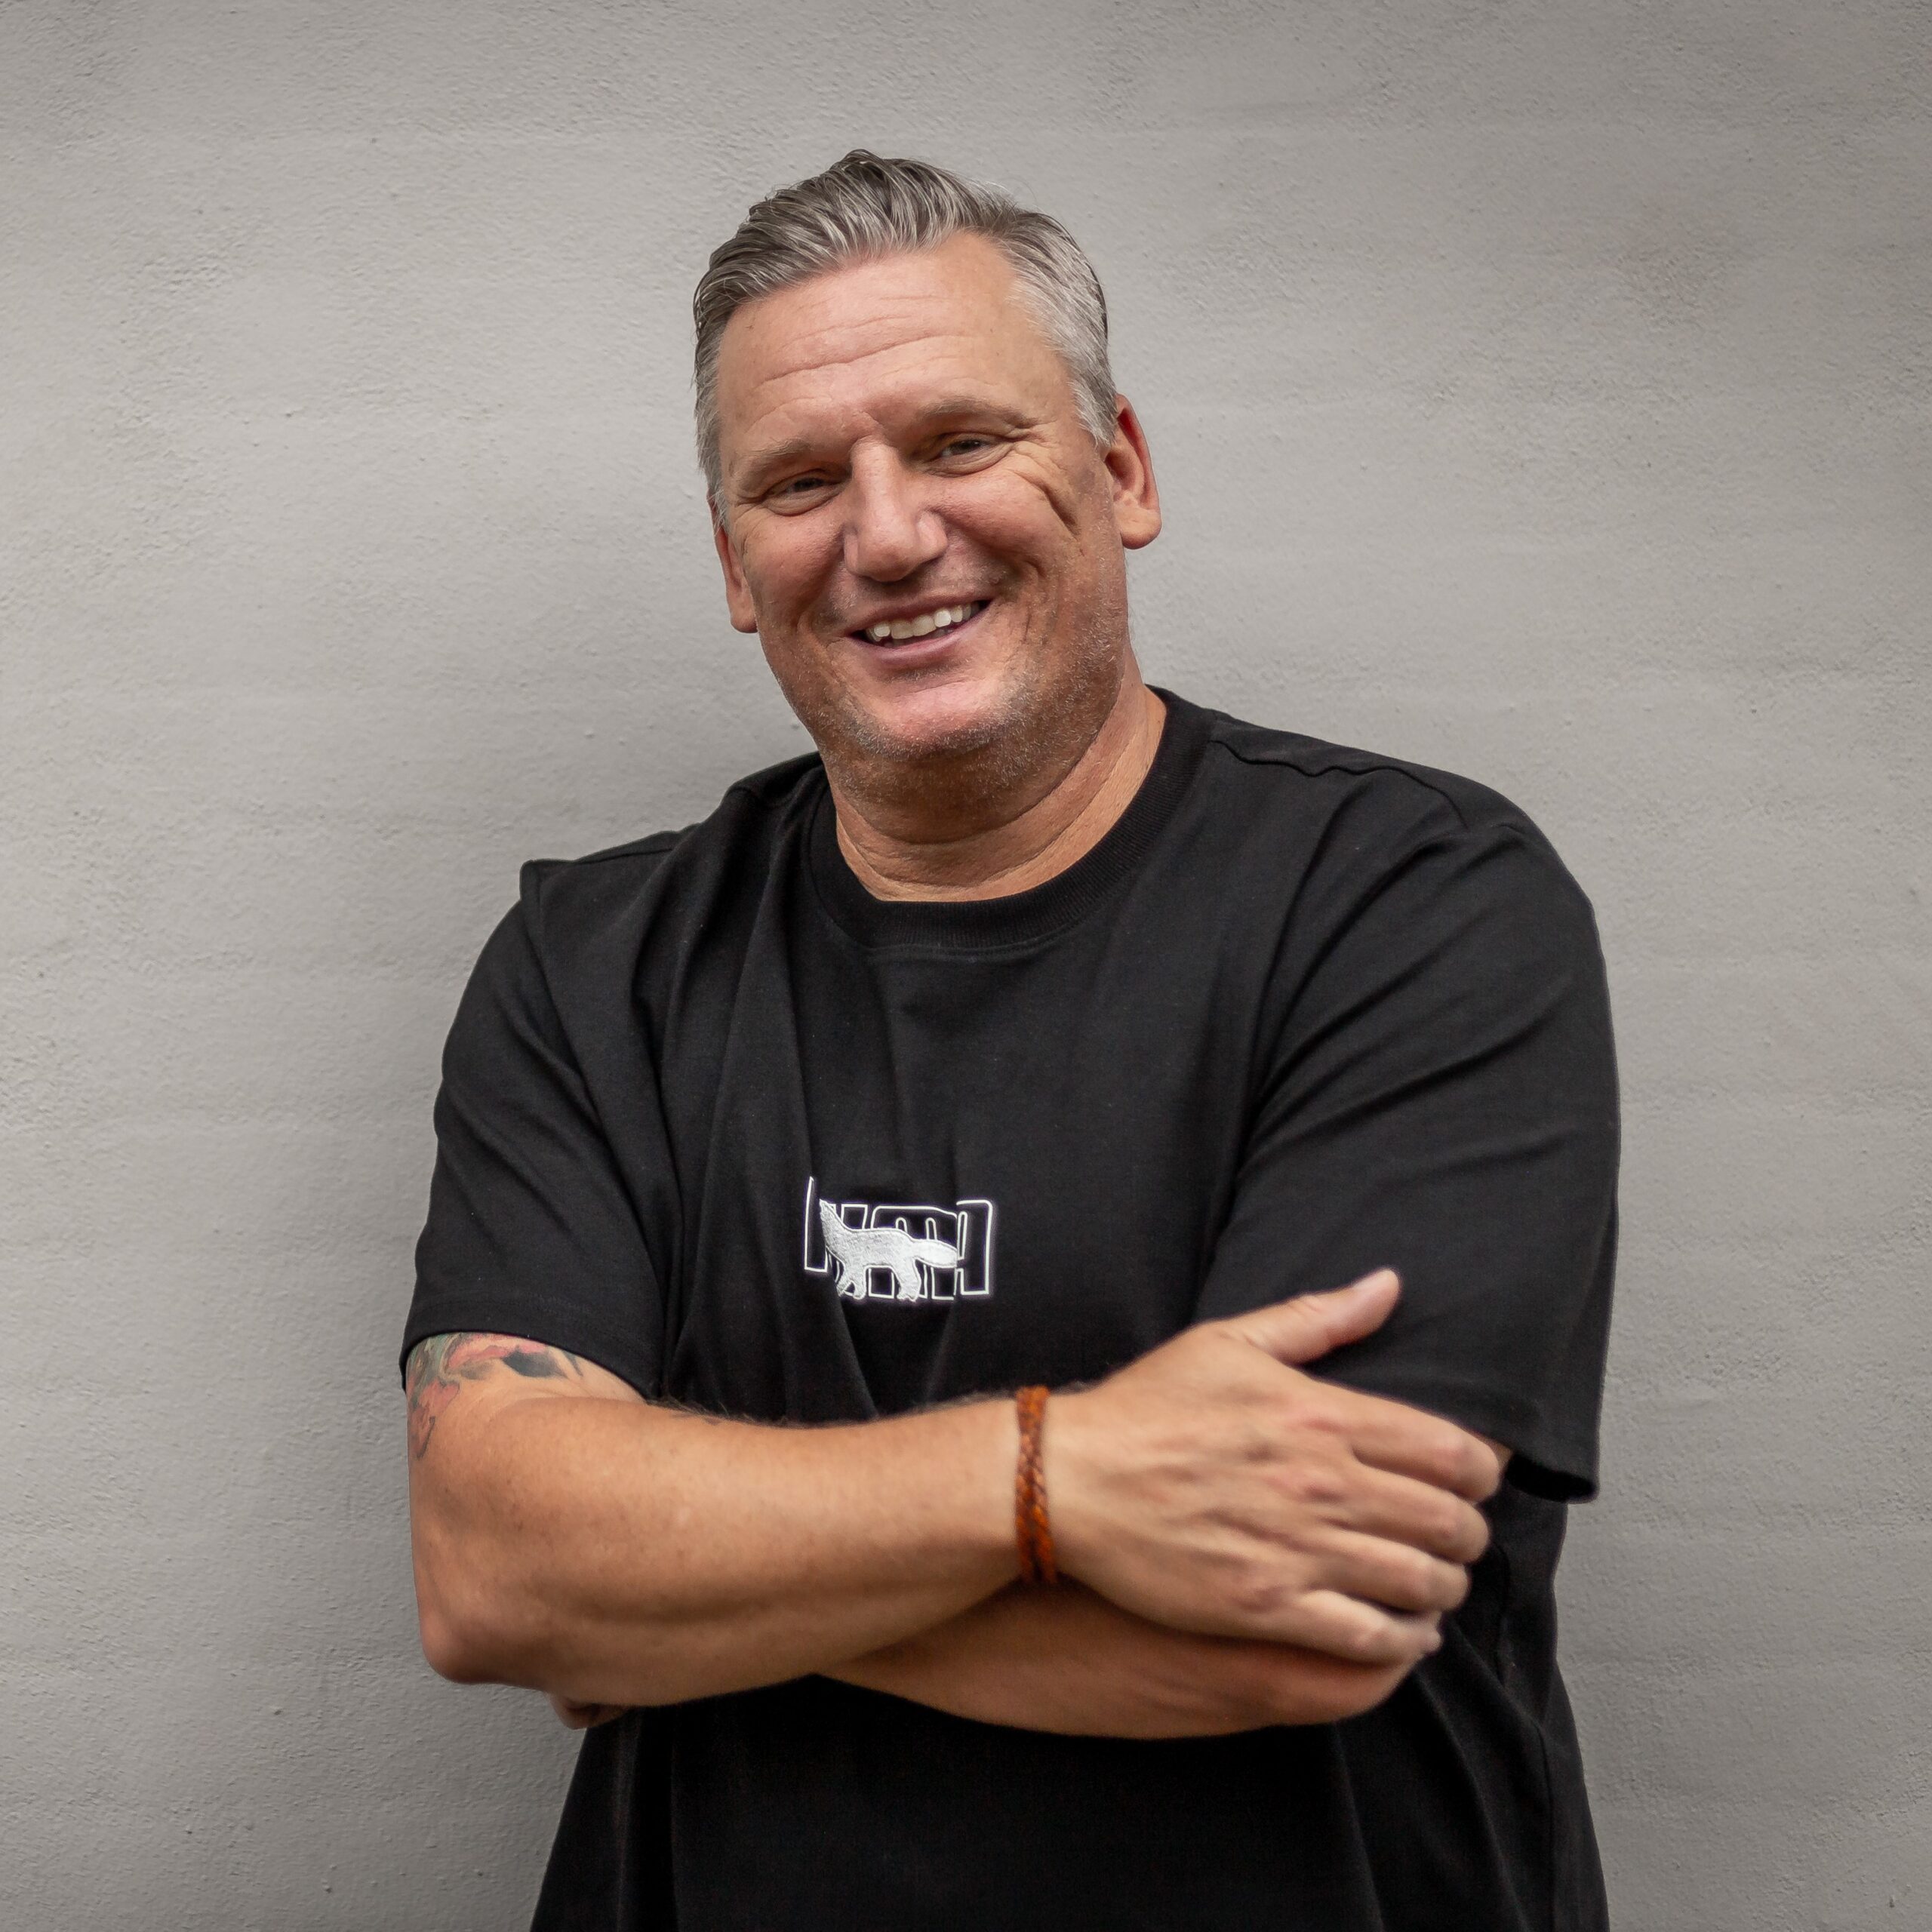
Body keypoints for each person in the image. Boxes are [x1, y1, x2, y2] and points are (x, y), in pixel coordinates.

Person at [401, 150, 1619, 1931]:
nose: (889, 533)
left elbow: (1295, 1619)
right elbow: (495, 1569)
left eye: (960, 441)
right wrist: (1057, 1478)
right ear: (736, 563)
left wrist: (670, 1593)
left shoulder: (1408, 905)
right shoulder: (597, 968)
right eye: (799, 481)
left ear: (1118, 470)